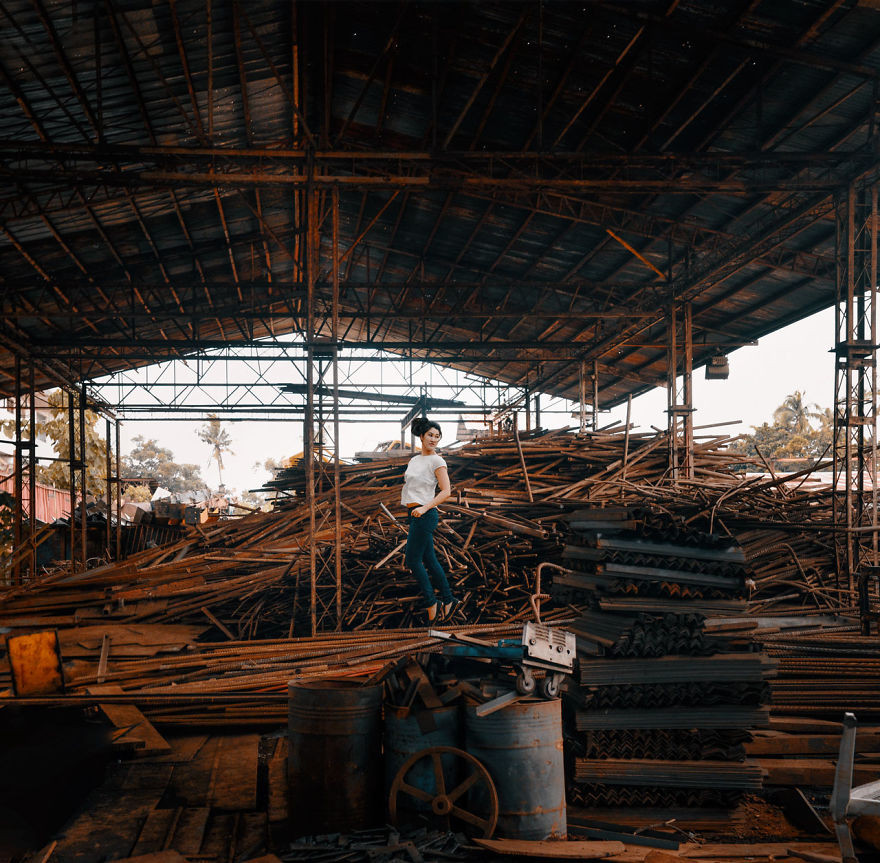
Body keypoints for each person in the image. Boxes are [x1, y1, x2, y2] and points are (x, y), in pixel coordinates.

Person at [401, 417, 458, 622]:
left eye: (437, 436)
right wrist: (413, 508)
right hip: (414, 512)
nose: (434, 439)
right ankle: (449, 599)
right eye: (430, 435)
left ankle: (432, 602)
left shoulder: (437, 461)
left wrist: (424, 507)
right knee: (430, 560)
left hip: (425, 514)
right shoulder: (415, 460)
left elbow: (446, 492)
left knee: (412, 560)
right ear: (422, 436)